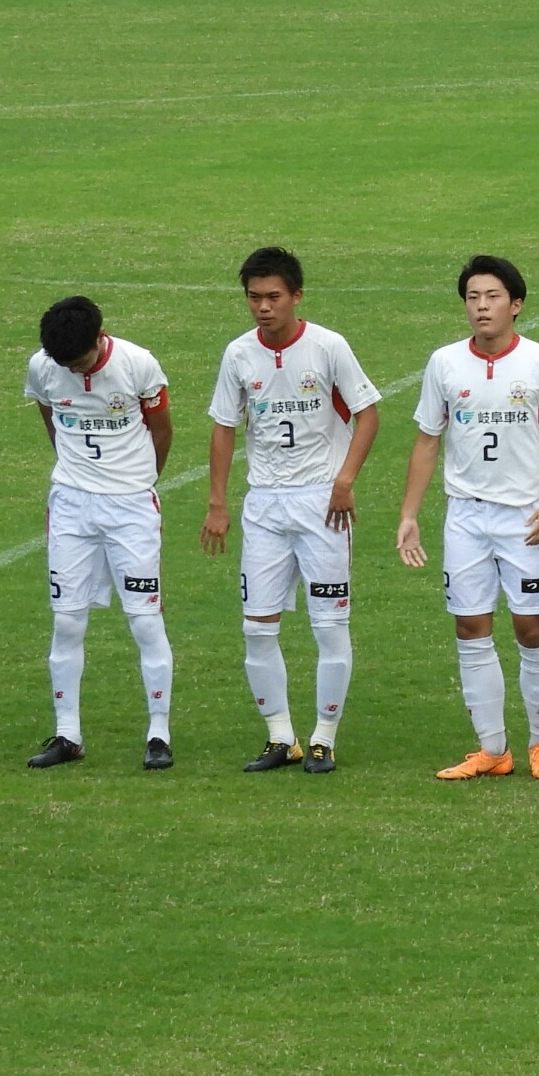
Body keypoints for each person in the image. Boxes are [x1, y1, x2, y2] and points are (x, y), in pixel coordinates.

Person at [398, 255, 539, 783]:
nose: (481, 306)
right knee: (470, 627)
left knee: (530, 628)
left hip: (526, 517)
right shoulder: (443, 363)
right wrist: (409, 515)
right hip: (465, 517)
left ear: (516, 304)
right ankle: (492, 750)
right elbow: (427, 439)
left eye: (493, 297)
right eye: (473, 297)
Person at [201, 247, 380, 775]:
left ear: (296, 296)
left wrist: (344, 481)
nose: (263, 307)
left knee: (329, 625)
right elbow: (222, 427)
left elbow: (368, 414)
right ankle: (281, 736)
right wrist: (218, 502)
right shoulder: (238, 355)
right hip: (264, 508)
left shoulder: (328, 347)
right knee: (257, 627)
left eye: (273, 297)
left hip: (322, 505)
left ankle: (324, 735)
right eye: (254, 298)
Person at [22, 295, 177, 770]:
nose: (70, 369)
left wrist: (139, 481)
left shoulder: (138, 364)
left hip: (130, 508)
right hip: (70, 507)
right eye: (61, 362)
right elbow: (49, 416)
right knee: (67, 620)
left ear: (99, 338)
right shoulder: (44, 367)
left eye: (79, 360)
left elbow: (162, 430)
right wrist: (76, 471)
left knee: (145, 620)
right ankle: (67, 733)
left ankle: (159, 733)